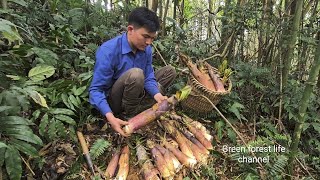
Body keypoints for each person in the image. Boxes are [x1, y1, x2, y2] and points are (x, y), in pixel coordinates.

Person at [89, 7, 176, 137]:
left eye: (152, 38)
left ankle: (143, 105)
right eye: (146, 36)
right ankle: (129, 114)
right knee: (136, 74)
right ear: (130, 30)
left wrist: (157, 94)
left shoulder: (146, 49)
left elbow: (149, 76)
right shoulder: (108, 50)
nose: (149, 42)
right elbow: (96, 90)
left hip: (136, 88)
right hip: (115, 100)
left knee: (170, 71)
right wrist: (110, 117)